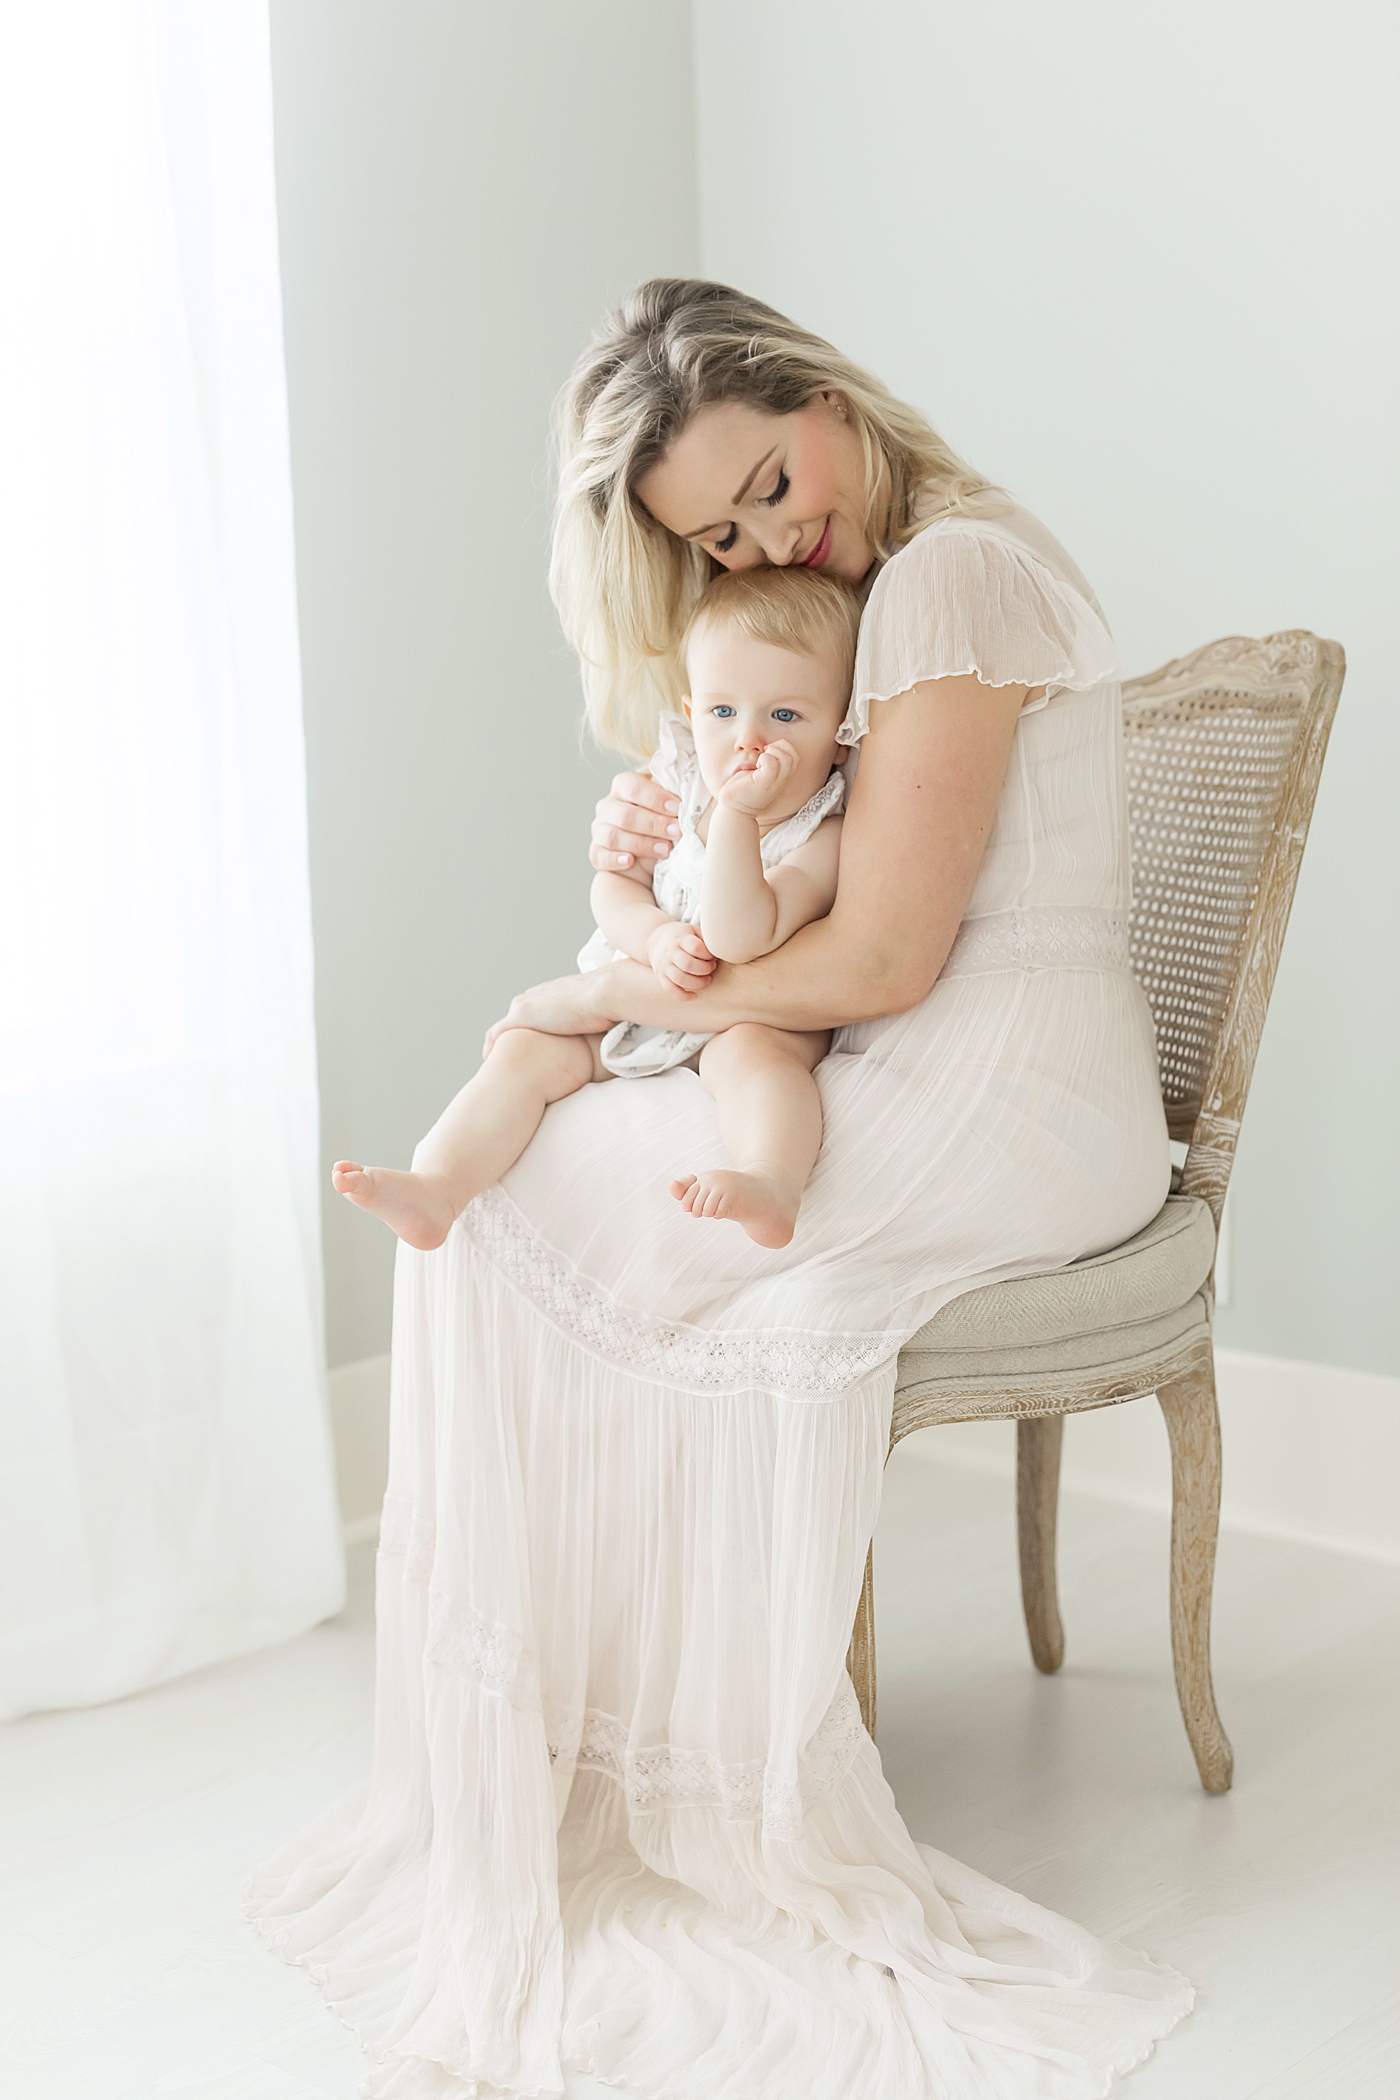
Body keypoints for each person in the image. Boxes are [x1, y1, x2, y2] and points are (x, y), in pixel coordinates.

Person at [248, 280, 1191, 2099]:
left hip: (1012, 1080)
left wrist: (617, 996)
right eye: (723, 532)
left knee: (539, 1195)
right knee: (514, 1193)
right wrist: (660, 884)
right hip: (890, 1052)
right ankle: (567, 1762)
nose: (773, 532)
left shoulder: (950, 577)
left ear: (824, 393)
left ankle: (664, 1773)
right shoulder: (851, 606)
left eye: (769, 477)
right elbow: (804, 920)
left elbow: (899, 959)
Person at [331, 566, 856, 1253]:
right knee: (525, 1048)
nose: (746, 741)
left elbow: (740, 936)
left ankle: (771, 1181)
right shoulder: (674, 779)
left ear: (841, 733)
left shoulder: (823, 834)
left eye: (784, 716)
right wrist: (654, 934)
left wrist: (735, 816)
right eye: (722, 713)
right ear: (692, 708)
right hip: (641, 994)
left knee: (759, 1060)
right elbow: (611, 887)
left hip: (744, 1015)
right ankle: (436, 1186)